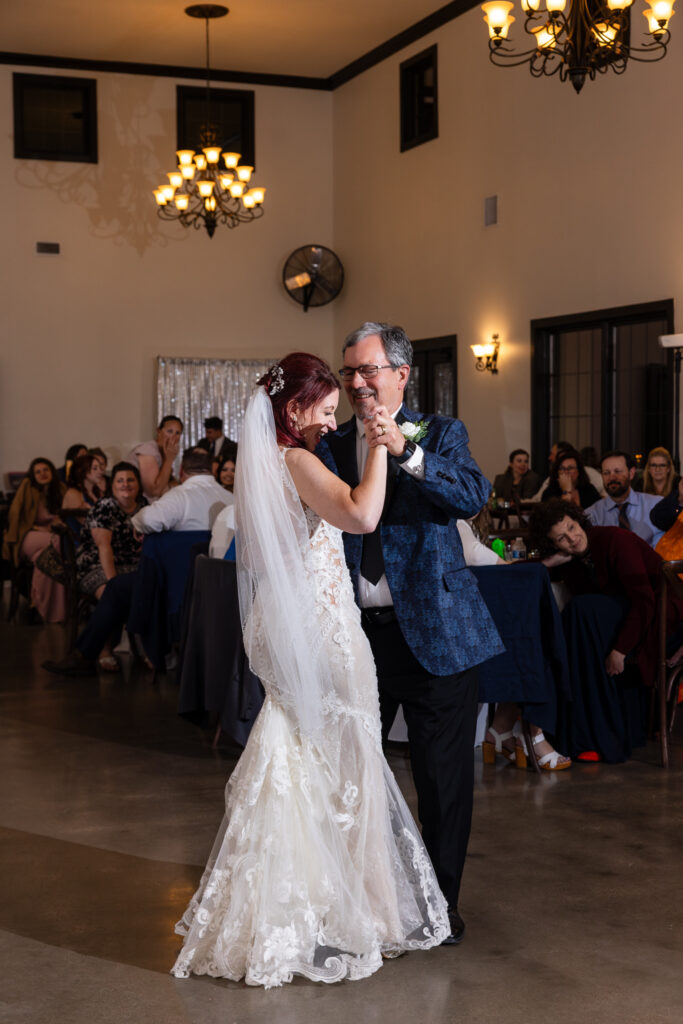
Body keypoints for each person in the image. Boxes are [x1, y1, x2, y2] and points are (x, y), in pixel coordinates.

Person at [171, 353, 450, 989]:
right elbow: (361, 515)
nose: (332, 422)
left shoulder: (262, 464)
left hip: (282, 624)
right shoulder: (295, 461)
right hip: (321, 629)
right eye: (324, 411)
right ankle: (363, 915)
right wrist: (382, 445)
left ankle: (295, 910)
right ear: (293, 409)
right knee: (349, 758)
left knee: (299, 753)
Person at [317, 322, 503, 945]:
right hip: (356, 637)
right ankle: (360, 903)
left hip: (438, 635)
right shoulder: (331, 443)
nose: (357, 383)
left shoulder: (441, 433)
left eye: (368, 370)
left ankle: (439, 908)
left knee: (442, 784)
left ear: (401, 373)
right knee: (350, 774)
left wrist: (406, 452)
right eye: (349, 372)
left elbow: (472, 495)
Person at [529, 500, 683, 763]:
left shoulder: (615, 541)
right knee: (576, 620)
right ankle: (584, 734)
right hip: (625, 621)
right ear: (554, 545)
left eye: (572, 527)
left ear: (578, 519)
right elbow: (524, 572)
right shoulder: (569, 560)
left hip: (661, 621)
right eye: (562, 539)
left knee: (581, 611)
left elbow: (644, 601)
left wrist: (619, 650)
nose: (572, 538)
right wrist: (548, 562)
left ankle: (595, 735)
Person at [44, 463, 147, 674]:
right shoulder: (106, 506)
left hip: (132, 564)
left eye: (130, 480)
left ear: (138, 484)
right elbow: (103, 548)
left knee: (148, 588)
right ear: (112, 485)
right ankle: (104, 650)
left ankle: (147, 651)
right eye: (120, 480)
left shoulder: (144, 505)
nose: (125, 485)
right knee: (112, 594)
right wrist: (113, 583)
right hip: (96, 563)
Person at [2, 457, 66, 622]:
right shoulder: (27, 487)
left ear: (52, 471)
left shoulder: (60, 488)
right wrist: (34, 528)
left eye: (45, 470)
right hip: (27, 535)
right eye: (38, 472)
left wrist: (52, 527)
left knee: (45, 557)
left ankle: (42, 606)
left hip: (49, 537)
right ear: (33, 475)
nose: (42, 474)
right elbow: (15, 514)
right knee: (59, 543)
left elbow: (64, 517)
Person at [131, 448, 230, 535]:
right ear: (212, 469)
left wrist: (137, 525)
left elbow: (147, 520)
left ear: (181, 470)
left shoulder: (179, 496)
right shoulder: (231, 498)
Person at [585, 450, 663, 548]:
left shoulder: (656, 505)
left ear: (631, 473)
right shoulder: (592, 515)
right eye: (606, 473)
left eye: (617, 471)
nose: (612, 477)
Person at [127, 415, 183, 502]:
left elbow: (169, 481)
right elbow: (154, 491)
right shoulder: (148, 450)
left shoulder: (165, 452)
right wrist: (169, 459)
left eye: (177, 433)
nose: (173, 437)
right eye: (169, 431)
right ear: (159, 431)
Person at [531, 440, 605, 501]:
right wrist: (566, 491)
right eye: (562, 468)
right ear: (557, 472)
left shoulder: (589, 490)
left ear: (578, 471)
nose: (566, 472)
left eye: (571, 468)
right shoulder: (550, 492)